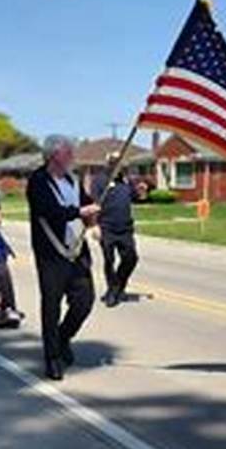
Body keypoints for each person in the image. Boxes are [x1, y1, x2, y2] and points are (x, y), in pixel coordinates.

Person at [26, 135, 100, 380]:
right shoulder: (38, 181)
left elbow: (87, 204)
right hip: (52, 255)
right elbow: (48, 211)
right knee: (51, 306)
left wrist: (92, 212)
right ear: (55, 155)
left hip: (77, 252)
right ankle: (52, 358)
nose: (73, 156)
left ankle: (62, 337)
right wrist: (79, 212)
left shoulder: (72, 179)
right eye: (69, 152)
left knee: (84, 301)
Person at [98, 159, 141, 307]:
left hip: (125, 229)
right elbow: (94, 201)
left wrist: (138, 188)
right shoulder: (100, 181)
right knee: (109, 260)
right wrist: (94, 226)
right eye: (115, 163)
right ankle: (112, 291)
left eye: (121, 164)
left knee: (131, 258)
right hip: (107, 228)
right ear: (109, 165)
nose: (119, 167)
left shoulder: (125, 183)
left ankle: (117, 286)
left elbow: (136, 197)